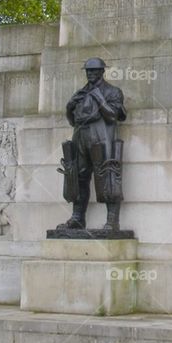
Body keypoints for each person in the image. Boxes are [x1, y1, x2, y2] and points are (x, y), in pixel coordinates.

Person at [57, 58, 126, 231]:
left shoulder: (112, 92)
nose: (91, 74)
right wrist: (69, 107)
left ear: (102, 72)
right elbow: (73, 121)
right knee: (78, 177)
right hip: (80, 136)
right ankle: (77, 218)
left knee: (108, 175)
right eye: (88, 71)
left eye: (95, 71)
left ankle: (112, 221)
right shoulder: (80, 93)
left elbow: (112, 116)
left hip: (101, 137)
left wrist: (99, 98)